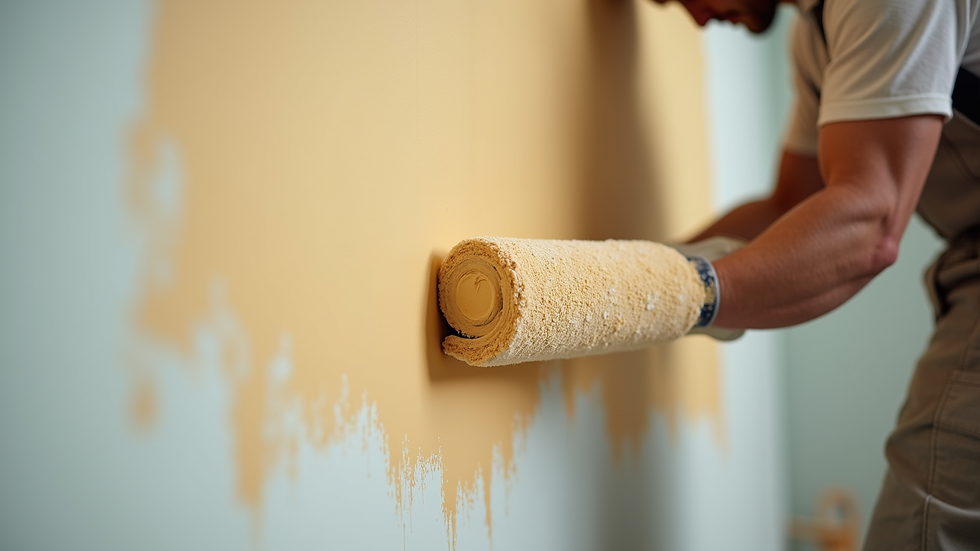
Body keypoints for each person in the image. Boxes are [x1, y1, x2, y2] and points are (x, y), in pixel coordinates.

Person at [652, 0, 980, 547]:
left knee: (926, 532)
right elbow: (793, 206)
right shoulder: (817, 35)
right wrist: (625, 272)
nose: (695, 18)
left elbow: (866, 224)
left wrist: (685, 296)